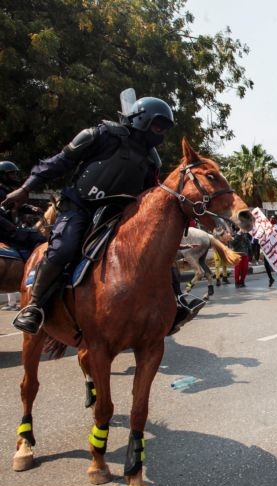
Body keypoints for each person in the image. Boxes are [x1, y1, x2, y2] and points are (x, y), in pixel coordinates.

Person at [0, 97, 200, 334]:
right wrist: (26, 188)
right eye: (159, 126)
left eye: (165, 129)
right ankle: (35, 306)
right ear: (141, 119)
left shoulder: (151, 159)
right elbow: (60, 161)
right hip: (80, 207)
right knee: (64, 248)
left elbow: (148, 196)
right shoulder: (102, 134)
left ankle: (177, 302)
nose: (162, 133)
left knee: (157, 253)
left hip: (117, 216)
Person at [262, 214, 277, 289]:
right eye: (271, 218)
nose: (271, 219)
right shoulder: (267, 227)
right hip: (268, 248)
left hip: (275, 249)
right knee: (266, 264)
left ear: (276, 220)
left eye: (273, 218)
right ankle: (271, 278)